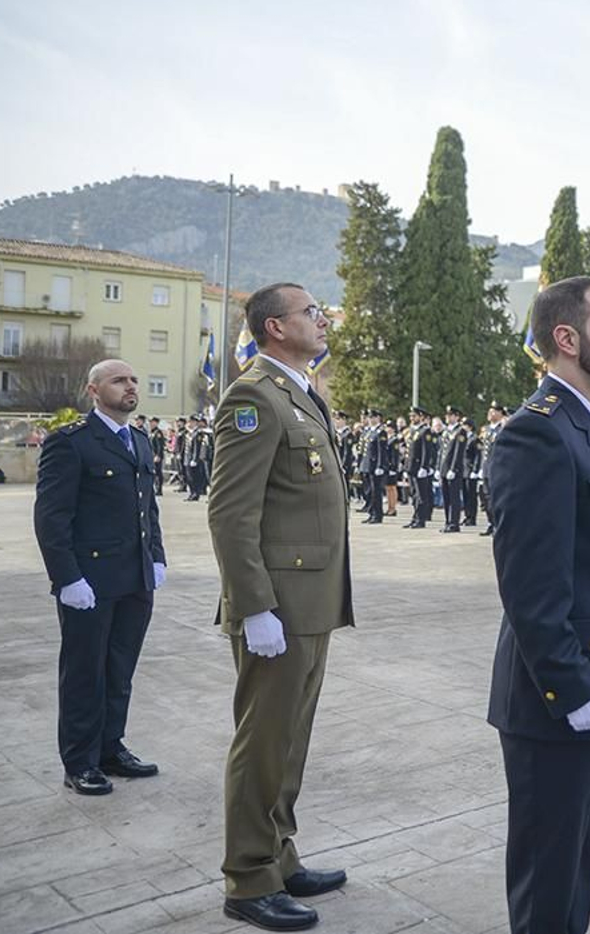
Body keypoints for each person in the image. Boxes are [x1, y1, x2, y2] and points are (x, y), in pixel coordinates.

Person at [484, 276, 590, 934]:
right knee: (548, 888)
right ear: (567, 338)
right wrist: (575, 688)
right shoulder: (538, 435)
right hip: (558, 703)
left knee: (578, 867)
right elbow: (531, 590)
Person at [208, 282, 352, 931]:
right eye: (310, 313)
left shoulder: (300, 392)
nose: (322, 321)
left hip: (312, 601)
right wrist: (254, 607)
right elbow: (230, 513)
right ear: (274, 327)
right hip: (279, 607)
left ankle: (278, 856)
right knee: (263, 742)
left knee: (289, 742)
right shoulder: (254, 397)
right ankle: (248, 879)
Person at [33, 359, 167, 796]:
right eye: (119, 380)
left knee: (119, 669)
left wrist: (157, 557)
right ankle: (80, 762)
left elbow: (148, 509)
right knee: (84, 673)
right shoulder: (71, 442)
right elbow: (52, 518)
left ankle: (110, 748)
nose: (130, 386)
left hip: (135, 577)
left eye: (134, 380)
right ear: (93, 390)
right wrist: (67, 578)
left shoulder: (139, 440)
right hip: (90, 583)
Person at [438, 406, 471, 533]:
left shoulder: (460, 431)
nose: (447, 417)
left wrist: (453, 469)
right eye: (447, 415)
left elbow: (458, 452)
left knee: (454, 497)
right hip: (444, 469)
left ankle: (454, 523)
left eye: (450, 415)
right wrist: (438, 468)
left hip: (453, 470)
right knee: (446, 498)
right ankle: (448, 521)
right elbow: (442, 452)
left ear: (457, 417)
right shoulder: (446, 431)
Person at [477, 404, 507, 536]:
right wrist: (479, 467)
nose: (490, 414)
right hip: (485, 467)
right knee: (486, 498)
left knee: (496, 498)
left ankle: (498, 525)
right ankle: (491, 523)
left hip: (496, 468)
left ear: (500, 413)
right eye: (489, 411)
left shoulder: (503, 429)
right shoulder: (486, 429)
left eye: (493, 411)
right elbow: (482, 449)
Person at [361, 410, 388, 524]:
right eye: (369, 417)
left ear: (378, 418)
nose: (370, 420)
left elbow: (382, 451)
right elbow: (363, 450)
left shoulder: (380, 432)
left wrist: (380, 466)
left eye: (373, 417)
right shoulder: (368, 432)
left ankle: (377, 515)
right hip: (367, 465)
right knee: (368, 492)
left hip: (374, 466)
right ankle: (371, 513)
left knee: (375, 492)